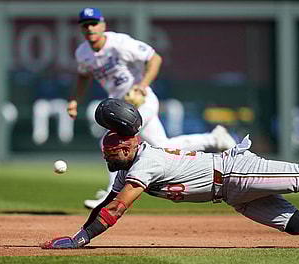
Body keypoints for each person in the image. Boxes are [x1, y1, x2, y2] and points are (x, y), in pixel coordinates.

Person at [41, 108, 299, 249]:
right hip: (231, 193)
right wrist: (80, 235)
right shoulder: (132, 165)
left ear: (127, 146)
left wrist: (80, 243)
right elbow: (108, 202)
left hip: (235, 171)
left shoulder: (143, 164)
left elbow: (117, 208)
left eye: (111, 151)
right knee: (295, 224)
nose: (108, 155)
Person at [68, 7, 236, 209]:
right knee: (163, 148)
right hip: (120, 103)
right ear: (82, 29)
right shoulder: (83, 53)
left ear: (103, 25)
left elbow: (154, 58)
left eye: (94, 24)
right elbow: (83, 76)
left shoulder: (120, 44)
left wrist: (142, 85)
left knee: (110, 140)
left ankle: (111, 194)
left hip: (140, 102)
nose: (90, 29)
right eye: (86, 25)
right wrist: (75, 100)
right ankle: (214, 138)